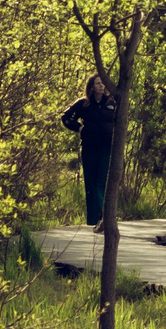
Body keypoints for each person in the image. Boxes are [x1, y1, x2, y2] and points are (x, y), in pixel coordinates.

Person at [61, 74, 118, 225]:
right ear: (92, 86)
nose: (101, 86)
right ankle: (93, 220)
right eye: (98, 83)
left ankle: (102, 218)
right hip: (89, 148)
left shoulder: (111, 102)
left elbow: (120, 121)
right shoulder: (84, 104)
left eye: (103, 83)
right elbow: (65, 117)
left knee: (101, 182)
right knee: (90, 184)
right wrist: (79, 128)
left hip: (107, 148)